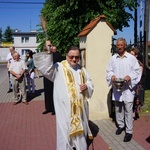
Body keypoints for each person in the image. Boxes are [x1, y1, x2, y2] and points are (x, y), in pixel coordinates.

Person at [33, 40, 94, 150]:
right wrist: (48, 51)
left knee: (80, 136)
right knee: (65, 136)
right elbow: (45, 69)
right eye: (71, 57)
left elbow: (90, 82)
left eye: (77, 57)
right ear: (66, 55)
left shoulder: (82, 70)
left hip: (80, 111)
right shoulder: (58, 67)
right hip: (64, 111)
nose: (74, 59)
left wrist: (87, 86)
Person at [106, 38, 141, 142]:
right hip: (117, 88)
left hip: (128, 89)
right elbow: (109, 70)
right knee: (118, 108)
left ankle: (129, 131)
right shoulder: (113, 58)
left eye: (121, 45)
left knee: (128, 110)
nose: (119, 47)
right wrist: (111, 76)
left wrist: (130, 76)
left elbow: (137, 71)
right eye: (118, 45)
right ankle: (121, 125)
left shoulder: (131, 58)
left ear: (125, 46)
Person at [42, 45, 62, 115]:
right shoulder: (44, 56)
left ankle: (54, 109)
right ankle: (48, 108)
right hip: (46, 76)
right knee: (47, 92)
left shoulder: (57, 55)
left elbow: (60, 65)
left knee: (54, 92)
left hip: (54, 76)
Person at [129, 47, 143, 120]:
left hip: (136, 84)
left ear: (136, 55)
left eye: (132, 54)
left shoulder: (139, 64)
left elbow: (139, 76)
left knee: (135, 99)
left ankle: (134, 114)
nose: (130, 56)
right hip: (129, 83)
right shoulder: (128, 63)